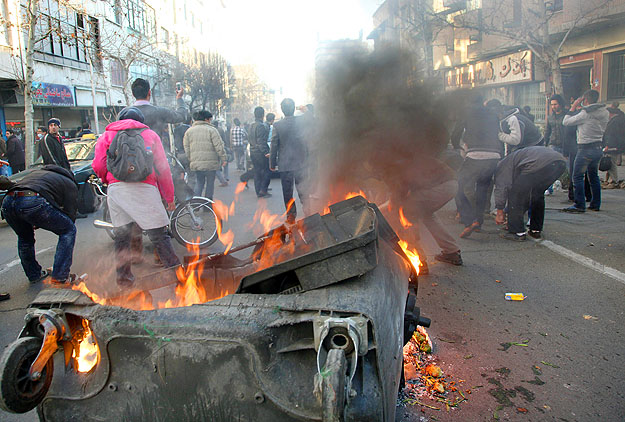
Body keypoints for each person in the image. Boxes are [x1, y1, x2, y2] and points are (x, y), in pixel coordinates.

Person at [92, 106, 180, 288]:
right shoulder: (150, 135)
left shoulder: (107, 136)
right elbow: (163, 169)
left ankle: (124, 280)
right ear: (141, 121)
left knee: (122, 236)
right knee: (159, 235)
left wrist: (108, 180)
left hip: (116, 190)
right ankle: (178, 275)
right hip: (144, 188)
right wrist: (169, 197)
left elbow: (99, 165)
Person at [1, 165, 78, 287]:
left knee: (24, 237)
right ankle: (60, 276)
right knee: (68, 230)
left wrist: (38, 219)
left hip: (8, 202)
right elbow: (70, 214)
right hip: (31, 200)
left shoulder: (38, 174)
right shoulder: (69, 183)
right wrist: (44, 219)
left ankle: (34, 274)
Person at [450, 94, 501, 238]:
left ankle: (469, 220)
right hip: (493, 156)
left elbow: (455, 134)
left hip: (475, 155)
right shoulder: (492, 114)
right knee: (482, 189)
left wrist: (457, 146)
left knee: (457, 185)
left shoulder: (466, 113)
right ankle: (478, 221)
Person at [399, 157, 463, 269]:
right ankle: (451, 251)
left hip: (440, 186)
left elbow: (401, 193)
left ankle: (420, 260)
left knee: (408, 212)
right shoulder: (413, 153)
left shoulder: (404, 159)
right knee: (427, 215)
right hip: (451, 185)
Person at [495, 146, 567, 241]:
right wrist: (513, 217)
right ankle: (535, 230)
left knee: (515, 195)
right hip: (559, 162)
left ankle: (517, 232)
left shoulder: (502, 167)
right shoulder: (514, 159)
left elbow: (502, 188)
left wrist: (500, 212)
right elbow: (525, 198)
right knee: (537, 195)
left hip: (538, 164)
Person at [562, 89, 609, 212]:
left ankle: (579, 204)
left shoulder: (586, 114)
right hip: (598, 147)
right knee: (593, 177)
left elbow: (566, 122)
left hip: (585, 149)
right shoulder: (604, 112)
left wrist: (574, 106)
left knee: (577, 176)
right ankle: (595, 203)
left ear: (586, 100)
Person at [270, 98, 309, 223]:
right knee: (303, 190)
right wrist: (306, 111)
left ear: (282, 110)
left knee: (288, 193)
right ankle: (309, 213)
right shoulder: (302, 121)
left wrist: (272, 163)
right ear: (293, 109)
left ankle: (291, 216)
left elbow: (274, 145)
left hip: (285, 164)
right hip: (301, 162)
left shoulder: (277, 125)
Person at [131, 78, 186, 151]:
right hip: (155, 157)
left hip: (131, 158)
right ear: (149, 92)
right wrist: (179, 98)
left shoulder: (124, 114)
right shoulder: (159, 112)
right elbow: (181, 116)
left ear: (133, 94)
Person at [183, 110, 227, 200]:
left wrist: (191, 159)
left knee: (199, 183)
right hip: (211, 164)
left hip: (196, 164)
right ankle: (207, 204)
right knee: (210, 184)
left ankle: (196, 202)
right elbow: (219, 146)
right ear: (206, 119)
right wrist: (224, 158)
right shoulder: (212, 130)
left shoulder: (189, 131)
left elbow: (186, 148)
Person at [248, 106, 271, 198]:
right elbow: (261, 141)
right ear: (263, 115)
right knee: (266, 171)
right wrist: (266, 152)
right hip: (260, 153)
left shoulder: (251, 125)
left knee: (257, 172)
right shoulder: (261, 126)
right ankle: (263, 190)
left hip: (253, 151)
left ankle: (258, 191)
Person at [602, 105, 625, 186]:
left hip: (613, 146)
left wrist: (608, 145)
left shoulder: (615, 122)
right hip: (615, 145)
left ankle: (613, 180)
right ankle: (608, 180)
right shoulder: (618, 120)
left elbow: (611, 135)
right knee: (610, 161)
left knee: (612, 163)